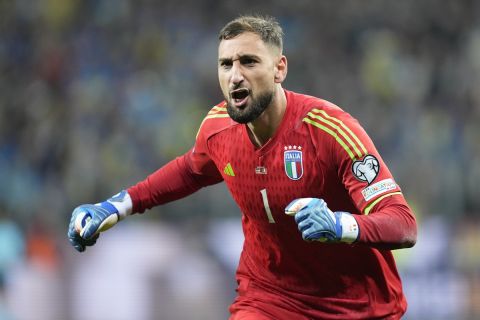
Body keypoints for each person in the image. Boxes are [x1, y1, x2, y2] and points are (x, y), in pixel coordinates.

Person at [68, 15, 417, 320]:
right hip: (270, 298)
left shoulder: (331, 132)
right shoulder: (218, 129)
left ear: (279, 68)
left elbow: (403, 224)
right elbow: (190, 171)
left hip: (356, 305)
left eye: (248, 62)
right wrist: (118, 204)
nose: (235, 76)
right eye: (225, 64)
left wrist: (341, 224)